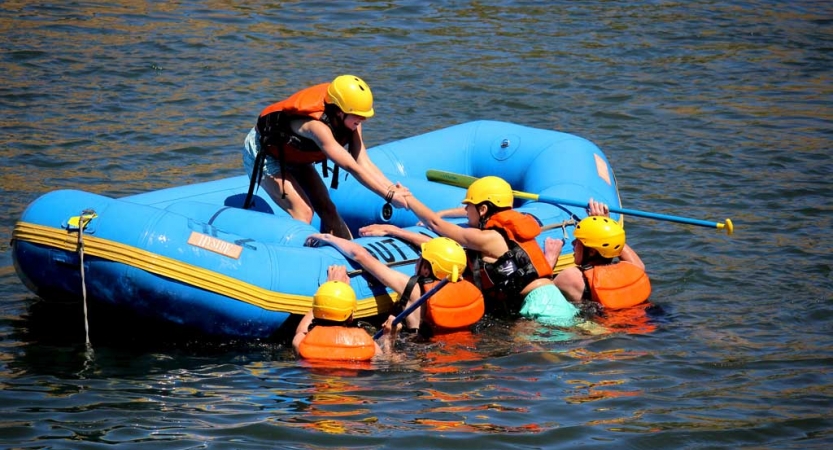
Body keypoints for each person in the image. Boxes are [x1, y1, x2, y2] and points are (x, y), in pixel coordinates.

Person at [243, 75, 409, 239]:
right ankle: (298, 258)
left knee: (328, 208)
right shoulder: (316, 127)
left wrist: (392, 188)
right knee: (304, 211)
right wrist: (388, 196)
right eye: (358, 114)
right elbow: (352, 167)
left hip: (296, 156)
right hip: (265, 153)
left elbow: (363, 161)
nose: (363, 119)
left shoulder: (351, 121)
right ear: (338, 112)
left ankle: (349, 256)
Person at [403, 175, 580, 327]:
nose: (465, 210)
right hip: (553, 299)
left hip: (538, 306)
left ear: (483, 209)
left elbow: (435, 225)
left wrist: (408, 199)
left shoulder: (489, 238)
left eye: (468, 206)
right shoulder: (515, 227)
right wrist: (397, 231)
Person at [307, 233, 483, 336]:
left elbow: (361, 256)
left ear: (426, 270)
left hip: (415, 355)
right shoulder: (465, 286)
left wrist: (326, 237)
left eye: (422, 257)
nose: (417, 259)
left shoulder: (415, 289)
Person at [546, 199, 651, 311]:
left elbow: (537, 292)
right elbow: (617, 243)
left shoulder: (572, 277)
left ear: (591, 251)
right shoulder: (636, 268)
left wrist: (550, 260)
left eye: (578, 241)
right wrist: (606, 228)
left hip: (599, 327)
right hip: (647, 321)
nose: (573, 243)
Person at [292, 266, 396, 361]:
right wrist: (389, 336)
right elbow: (387, 360)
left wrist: (329, 289)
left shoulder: (299, 343)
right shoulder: (369, 346)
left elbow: (301, 330)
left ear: (316, 310)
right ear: (351, 317)